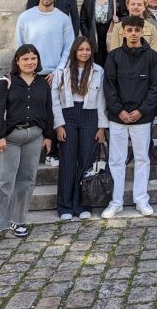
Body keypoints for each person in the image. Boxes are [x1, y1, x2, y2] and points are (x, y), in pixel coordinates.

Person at [0, 44, 54, 249]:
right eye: (25, 59)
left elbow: (48, 110)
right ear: (17, 61)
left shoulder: (42, 83)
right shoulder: (5, 83)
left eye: (33, 58)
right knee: (1, 183)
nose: (30, 62)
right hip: (9, 138)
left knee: (26, 181)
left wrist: (48, 135)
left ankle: (18, 220)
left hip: (34, 137)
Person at [101, 16, 157, 219]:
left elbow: (155, 88)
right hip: (118, 116)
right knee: (116, 159)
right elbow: (109, 87)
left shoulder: (152, 57)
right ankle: (116, 201)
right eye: (130, 30)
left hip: (142, 117)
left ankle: (141, 199)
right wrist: (118, 110)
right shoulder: (114, 56)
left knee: (142, 159)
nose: (133, 34)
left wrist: (142, 111)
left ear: (142, 32)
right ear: (123, 32)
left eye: (137, 30)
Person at [51, 37, 107, 220]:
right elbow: (55, 101)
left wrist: (101, 127)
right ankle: (65, 205)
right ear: (74, 51)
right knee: (68, 161)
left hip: (89, 116)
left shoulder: (98, 70)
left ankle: (83, 203)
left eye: (88, 49)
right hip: (68, 115)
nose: (84, 52)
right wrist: (58, 124)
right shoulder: (61, 72)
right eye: (81, 49)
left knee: (86, 160)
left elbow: (102, 100)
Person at [16, 0, 74, 86]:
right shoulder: (25, 17)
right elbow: (20, 47)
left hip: (55, 75)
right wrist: (26, 71)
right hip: (30, 74)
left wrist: (59, 70)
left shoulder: (64, 19)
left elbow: (68, 48)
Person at [80, 0, 126, 67]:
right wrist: (88, 36)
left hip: (111, 37)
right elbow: (83, 21)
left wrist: (119, 20)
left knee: (112, 64)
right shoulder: (88, 2)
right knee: (96, 66)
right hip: (95, 38)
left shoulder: (116, 0)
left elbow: (125, 17)